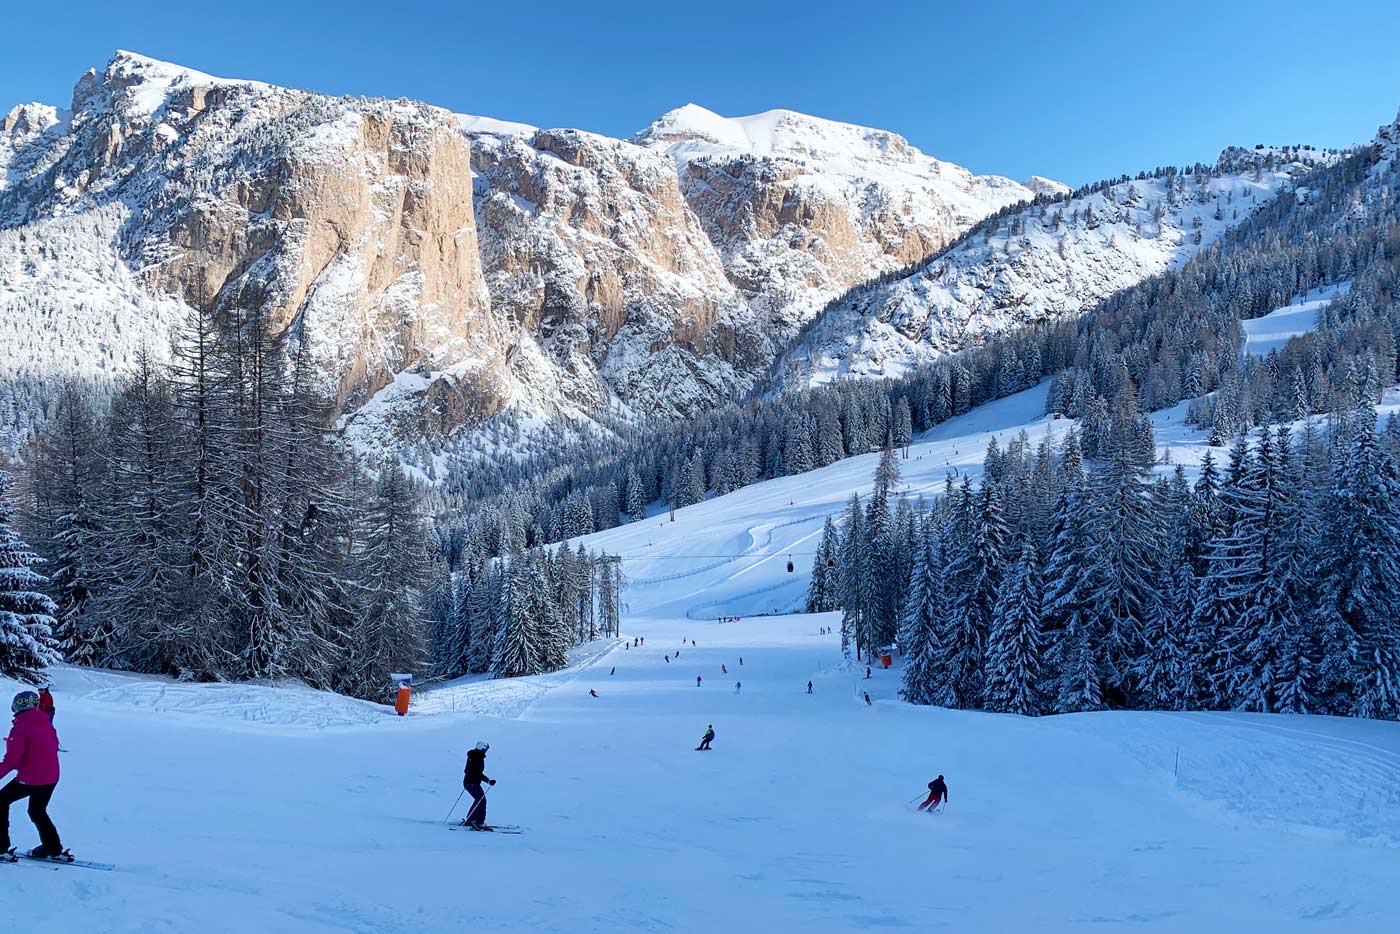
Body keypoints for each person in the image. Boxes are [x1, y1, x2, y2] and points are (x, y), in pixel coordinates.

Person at [1, 691, 64, 859]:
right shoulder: (46, 723)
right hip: (51, 777)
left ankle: (1, 848)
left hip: (31, 779)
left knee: (1, 801)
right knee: (37, 810)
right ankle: (53, 848)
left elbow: (11, 761)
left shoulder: (20, 728)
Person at [462, 741, 496, 829]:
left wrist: (488, 780)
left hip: (471, 782)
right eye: (485, 749)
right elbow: (474, 772)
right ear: (481, 748)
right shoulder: (476, 758)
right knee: (482, 801)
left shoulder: (474, 756)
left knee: (479, 800)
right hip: (472, 783)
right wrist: (486, 780)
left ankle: (471, 820)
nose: (486, 751)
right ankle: (479, 822)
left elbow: (475, 772)